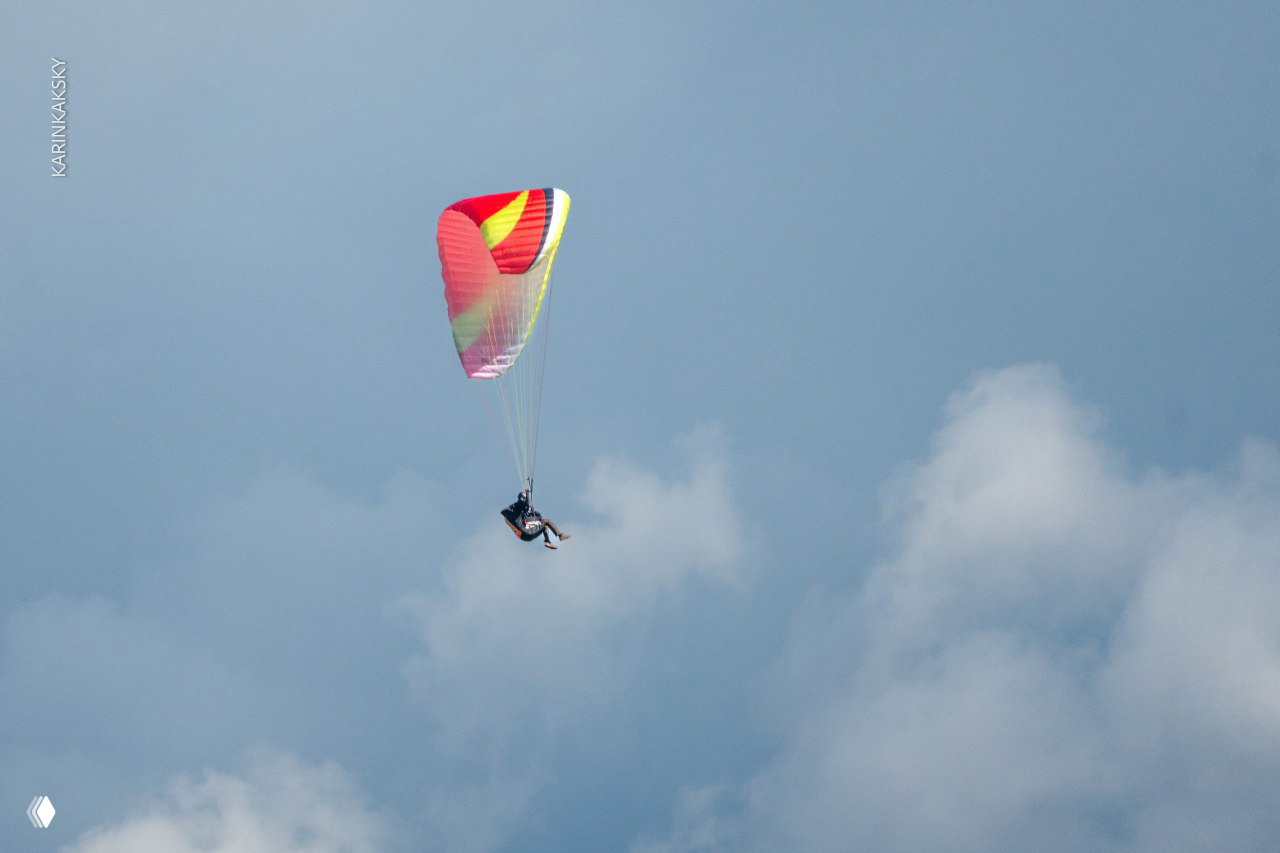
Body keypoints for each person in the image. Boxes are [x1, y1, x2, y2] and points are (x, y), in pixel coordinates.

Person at [500, 489, 571, 549]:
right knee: (546, 521)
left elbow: (530, 512)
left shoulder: (512, 514)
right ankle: (560, 535)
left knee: (543, 524)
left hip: (523, 536)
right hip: (527, 531)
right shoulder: (518, 507)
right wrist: (527, 493)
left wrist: (529, 508)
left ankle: (548, 542)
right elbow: (523, 502)